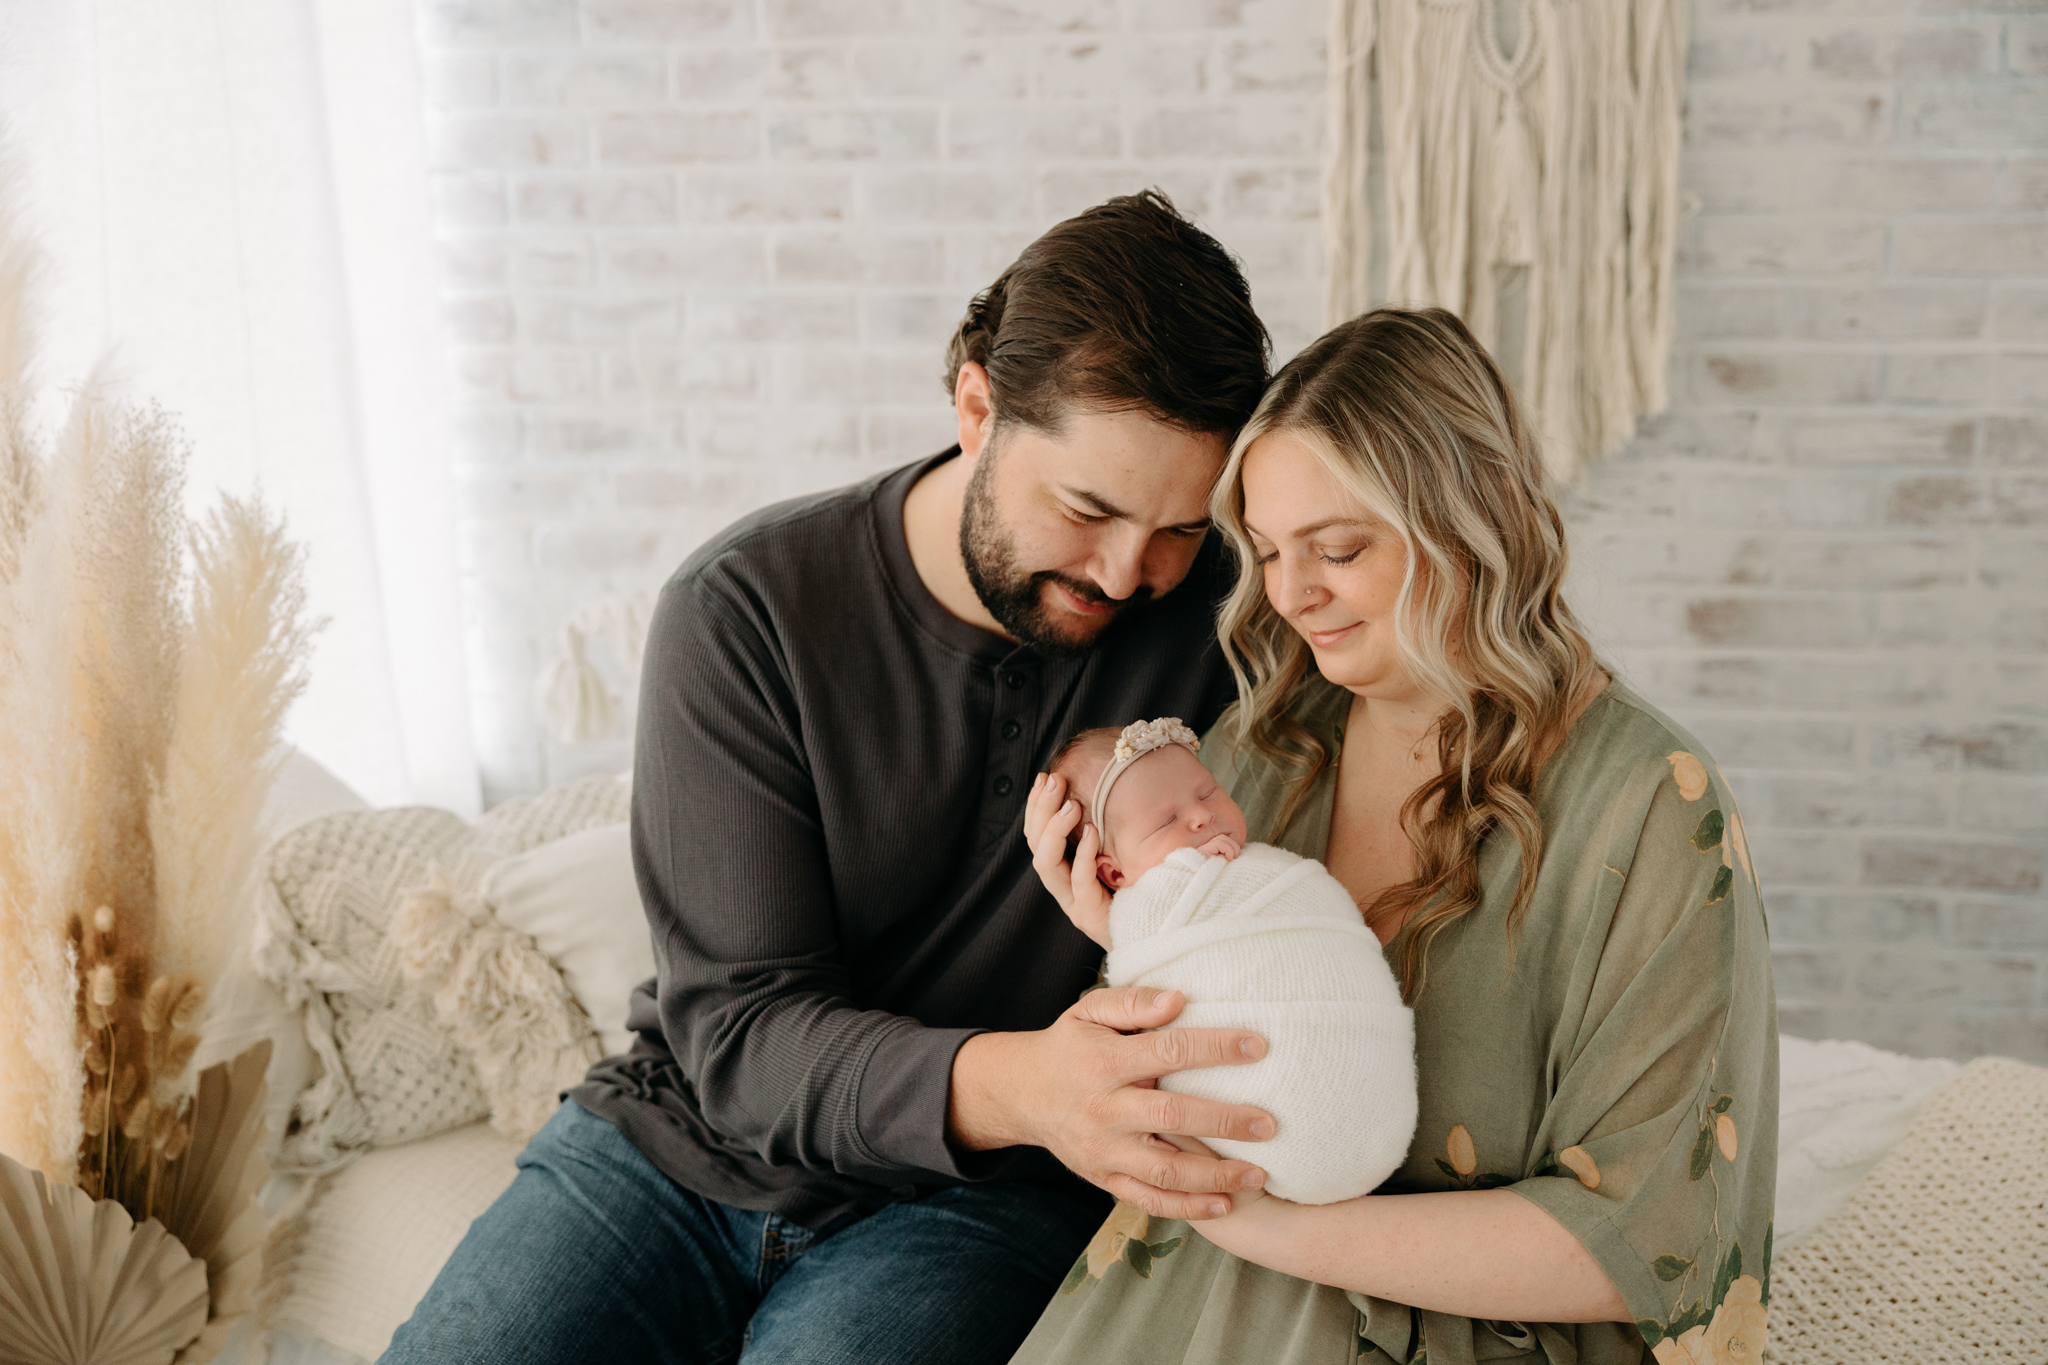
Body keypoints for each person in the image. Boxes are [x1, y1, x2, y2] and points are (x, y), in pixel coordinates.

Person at [379, 191, 1285, 1365]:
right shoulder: (743, 611)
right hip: (679, 1148)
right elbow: (744, 1036)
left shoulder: (1218, 615)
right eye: (1087, 509)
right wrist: (1035, 1082)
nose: (1128, 572)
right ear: (976, 409)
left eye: (1175, 528)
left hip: (986, 1197)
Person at [1018, 308, 1778, 1365]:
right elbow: (1180, 1105)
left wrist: (1262, 1225)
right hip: (1203, 1299)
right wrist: (1129, 939)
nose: (1291, 595)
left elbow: (1640, 1240)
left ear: (1472, 521)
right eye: (1271, 552)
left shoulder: (1647, 804)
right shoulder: (1261, 752)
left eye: (1338, 549)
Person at [1043, 717, 1417, 1206]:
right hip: (1264, 1112)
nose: (1200, 817)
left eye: (1207, 792)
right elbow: (1145, 955)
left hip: (1367, 1096)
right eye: (1164, 822)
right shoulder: (1148, 903)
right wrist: (1183, 881)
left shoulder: (1262, 864)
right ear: (1113, 872)